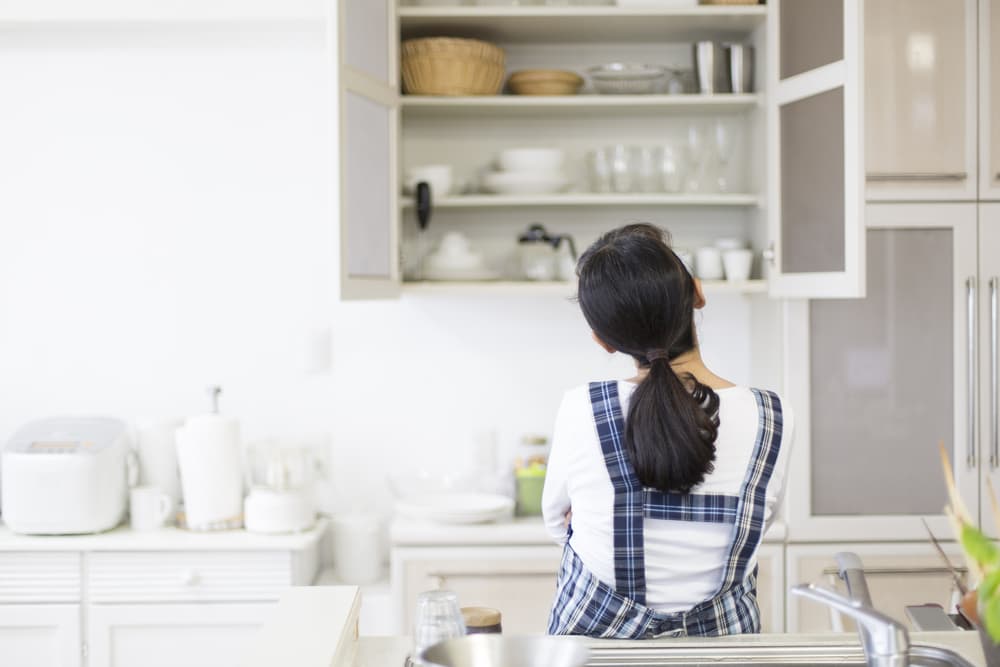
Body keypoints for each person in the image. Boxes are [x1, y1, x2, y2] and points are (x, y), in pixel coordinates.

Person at [542, 223, 793, 639]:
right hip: (724, 652)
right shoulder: (772, 414)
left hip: (596, 650)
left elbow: (559, 525)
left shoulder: (582, 408)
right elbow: (759, 520)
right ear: (698, 292)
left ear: (602, 340)